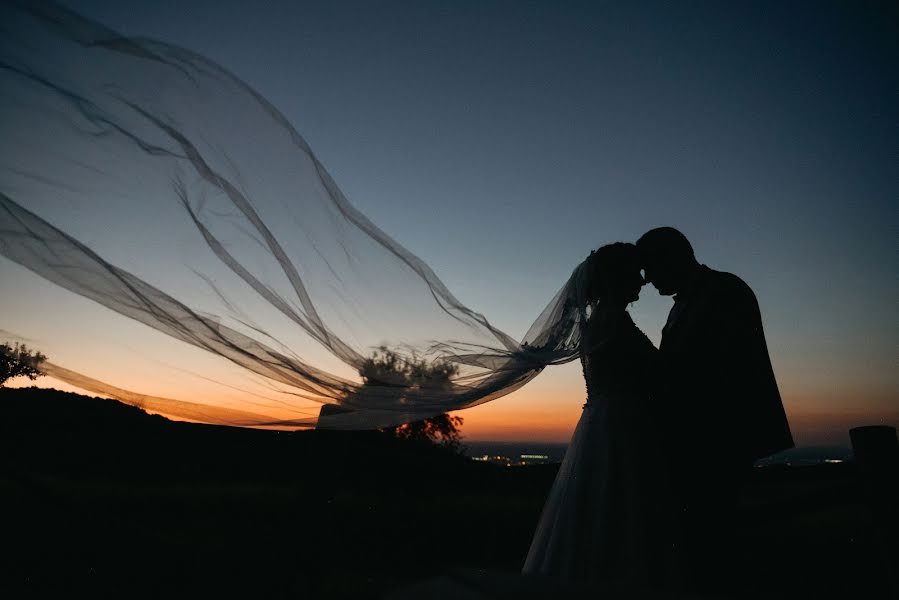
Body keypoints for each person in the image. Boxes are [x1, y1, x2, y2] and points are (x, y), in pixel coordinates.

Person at [636, 226, 794, 594]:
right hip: (694, 441)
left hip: (719, 439)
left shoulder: (725, 290)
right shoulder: (685, 303)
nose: (646, 280)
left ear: (671, 258)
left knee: (712, 537)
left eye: (650, 268)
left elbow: (723, 371)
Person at [522, 242, 661, 592]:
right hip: (621, 428)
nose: (642, 281)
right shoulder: (612, 320)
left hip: (605, 424)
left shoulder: (604, 319)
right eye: (634, 272)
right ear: (616, 277)